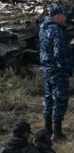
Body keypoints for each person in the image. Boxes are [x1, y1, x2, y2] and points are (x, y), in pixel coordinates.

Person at [40, 7, 72, 140]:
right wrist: (67, 68)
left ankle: (47, 129)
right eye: (64, 15)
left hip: (47, 69)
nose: (65, 18)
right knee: (60, 99)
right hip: (58, 71)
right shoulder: (57, 31)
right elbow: (59, 54)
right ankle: (57, 132)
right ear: (57, 16)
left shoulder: (43, 27)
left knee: (49, 98)